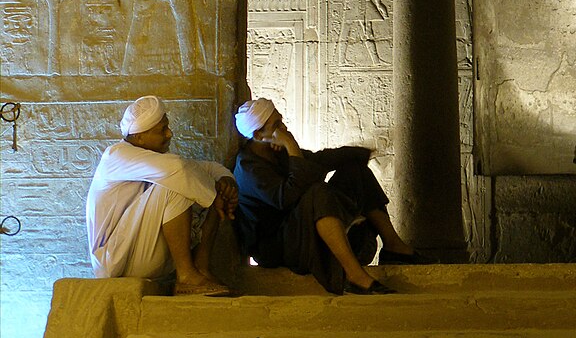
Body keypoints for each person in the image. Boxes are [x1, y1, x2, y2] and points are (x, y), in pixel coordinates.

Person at [231, 98, 427, 296]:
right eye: (276, 125)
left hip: (299, 227)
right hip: (278, 245)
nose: (284, 128)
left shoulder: (277, 152)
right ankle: (354, 276)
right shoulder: (248, 168)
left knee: (355, 172)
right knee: (317, 193)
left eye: (281, 121)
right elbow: (287, 197)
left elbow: (317, 162)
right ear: (258, 135)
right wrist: (291, 145)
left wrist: (358, 153)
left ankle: (394, 246)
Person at [85, 96, 238, 296]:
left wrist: (227, 183)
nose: (169, 134)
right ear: (139, 137)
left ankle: (201, 269)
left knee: (196, 183)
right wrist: (214, 194)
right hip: (116, 260)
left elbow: (209, 168)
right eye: (162, 130)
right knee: (177, 185)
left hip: (143, 254)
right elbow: (180, 169)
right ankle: (186, 276)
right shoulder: (116, 156)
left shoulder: (158, 160)